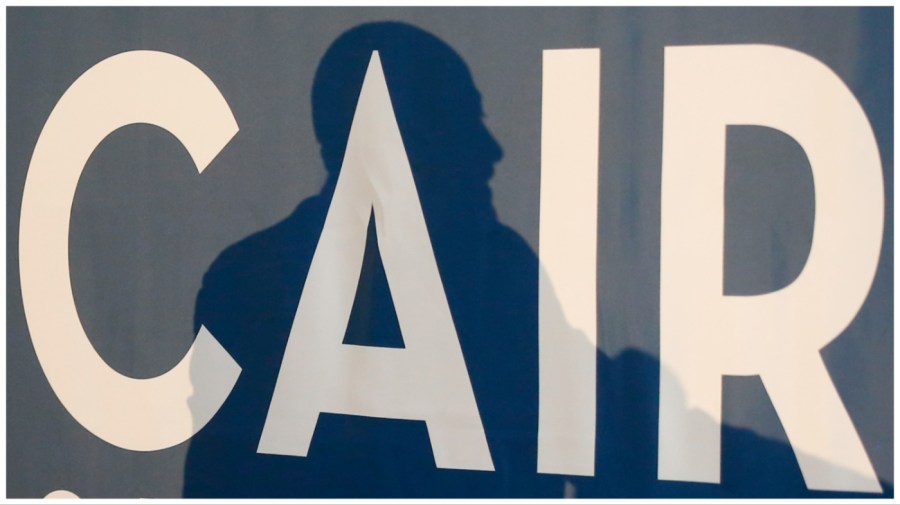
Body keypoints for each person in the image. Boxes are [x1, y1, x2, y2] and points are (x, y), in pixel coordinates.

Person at [183, 21, 560, 498]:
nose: (491, 150)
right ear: (396, 143)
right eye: (464, 124)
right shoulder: (248, 284)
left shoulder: (504, 272)